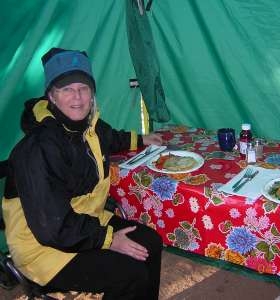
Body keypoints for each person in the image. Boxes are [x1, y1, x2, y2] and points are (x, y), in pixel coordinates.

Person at [2, 48, 164, 299]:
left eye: (84, 88)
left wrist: (141, 138)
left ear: (92, 94)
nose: (77, 97)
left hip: (84, 220)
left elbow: (110, 137)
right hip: (43, 247)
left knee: (151, 243)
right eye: (66, 89)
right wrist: (109, 240)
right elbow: (53, 228)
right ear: (51, 97)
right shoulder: (39, 147)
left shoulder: (89, 126)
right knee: (130, 274)